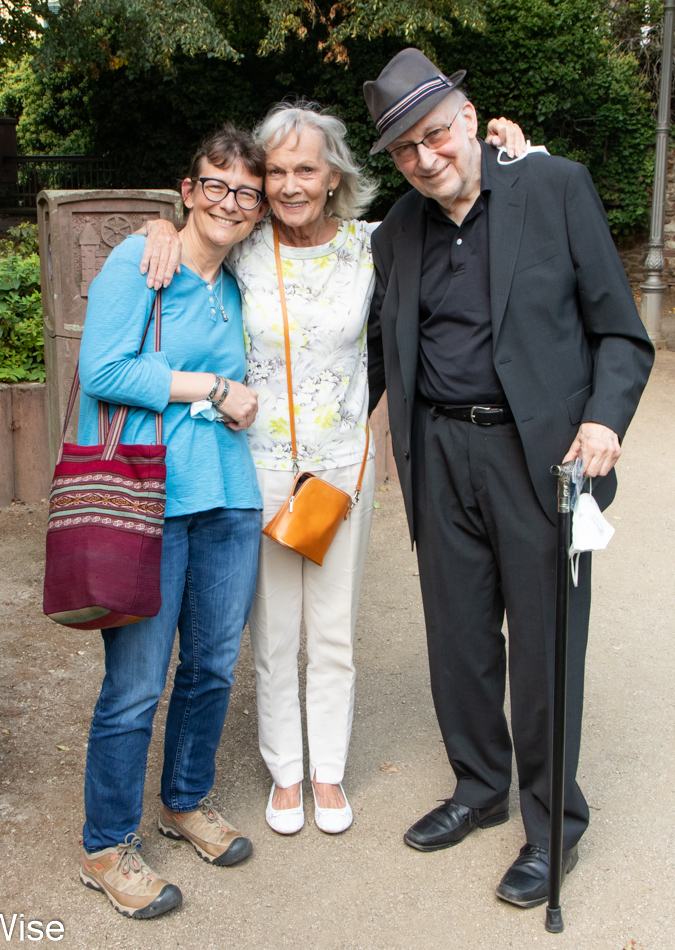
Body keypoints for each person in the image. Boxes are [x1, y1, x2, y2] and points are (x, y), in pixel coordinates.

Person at [139, 103, 527, 837]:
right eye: (276, 171)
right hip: (256, 466)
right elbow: (190, 236)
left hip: (343, 468)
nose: (288, 185)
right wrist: (159, 224)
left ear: (334, 176)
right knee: (274, 631)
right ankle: (286, 769)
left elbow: (462, 204)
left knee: (335, 632)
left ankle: (328, 771)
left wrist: (507, 156)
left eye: (305, 169)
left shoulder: (374, 244)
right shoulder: (246, 246)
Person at [362, 49, 654, 909]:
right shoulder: (393, 234)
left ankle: (552, 824)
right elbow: (379, 347)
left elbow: (621, 334)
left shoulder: (554, 187)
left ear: (469, 116)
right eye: (406, 148)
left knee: (545, 646)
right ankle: (479, 786)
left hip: (543, 457)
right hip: (439, 455)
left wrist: (603, 419)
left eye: (437, 133)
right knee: (457, 641)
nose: (426, 157)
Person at [76, 124, 267, 920]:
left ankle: (185, 801)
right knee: (136, 685)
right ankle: (106, 844)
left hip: (229, 496)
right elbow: (103, 369)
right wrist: (213, 391)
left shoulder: (238, 281)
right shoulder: (142, 261)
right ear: (187, 193)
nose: (231, 202)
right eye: (216, 186)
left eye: (246, 194)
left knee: (213, 666)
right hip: (148, 500)